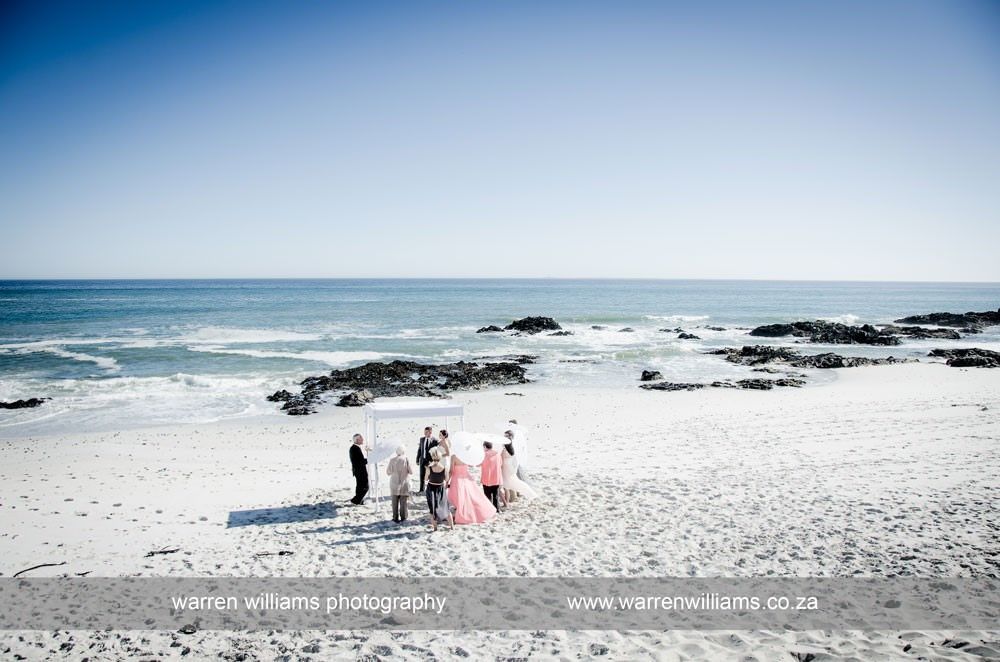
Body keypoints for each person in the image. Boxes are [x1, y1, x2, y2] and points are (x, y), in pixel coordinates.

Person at [447, 454, 496, 525]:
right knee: (470, 496)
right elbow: (470, 465)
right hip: (466, 477)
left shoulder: (454, 457)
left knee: (459, 496)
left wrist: (447, 480)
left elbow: (451, 471)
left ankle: (462, 512)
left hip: (457, 478)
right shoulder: (466, 456)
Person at [501, 435, 538, 502]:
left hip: (506, 468)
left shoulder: (504, 451)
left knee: (508, 484)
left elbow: (501, 459)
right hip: (510, 467)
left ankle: (508, 500)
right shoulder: (512, 449)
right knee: (515, 482)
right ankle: (529, 493)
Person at [424, 447, 453, 531]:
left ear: (432, 457)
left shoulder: (429, 468)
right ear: (440, 458)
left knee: (432, 509)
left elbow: (426, 479)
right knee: (445, 508)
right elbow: (446, 480)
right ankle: (452, 526)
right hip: (440, 488)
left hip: (431, 489)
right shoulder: (444, 468)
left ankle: (435, 527)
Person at [386, 445, 412, 523]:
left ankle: (395, 517)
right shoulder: (406, 459)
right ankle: (403, 517)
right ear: (403, 451)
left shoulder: (392, 460)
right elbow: (411, 471)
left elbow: (388, 472)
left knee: (394, 502)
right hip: (404, 483)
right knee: (403, 502)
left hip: (394, 483)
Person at [480, 441, 503, 512]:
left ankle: (489, 510)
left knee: (487, 495)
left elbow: (479, 464)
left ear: (485, 447)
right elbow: (501, 463)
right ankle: (497, 509)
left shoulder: (484, 455)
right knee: (495, 495)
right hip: (496, 477)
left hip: (487, 478)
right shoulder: (497, 454)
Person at [415, 426, 438, 494]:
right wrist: (417, 459)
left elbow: (436, 452)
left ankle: (430, 490)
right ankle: (421, 490)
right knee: (421, 475)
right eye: (424, 432)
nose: (424, 433)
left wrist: (434, 461)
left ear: (430, 432)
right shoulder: (422, 439)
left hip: (430, 461)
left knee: (430, 476)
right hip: (422, 460)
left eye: (426, 432)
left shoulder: (435, 440)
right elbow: (419, 449)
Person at [349, 433, 368, 505]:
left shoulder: (354, 448)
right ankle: (356, 500)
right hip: (360, 471)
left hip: (358, 471)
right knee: (365, 487)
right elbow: (360, 461)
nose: (363, 440)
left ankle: (359, 500)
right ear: (357, 440)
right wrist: (369, 459)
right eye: (361, 438)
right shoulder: (355, 449)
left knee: (360, 486)